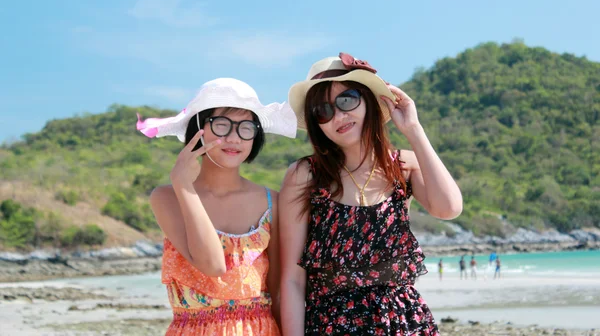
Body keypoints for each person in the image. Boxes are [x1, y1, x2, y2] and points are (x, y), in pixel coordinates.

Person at [279, 53, 463, 335]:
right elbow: (292, 279)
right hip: (333, 325)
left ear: (367, 100)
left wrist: (414, 130)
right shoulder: (306, 175)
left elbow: (449, 208)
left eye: (347, 100)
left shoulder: (403, 167)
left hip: (403, 323)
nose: (339, 116)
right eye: (323, 111)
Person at [137, 78, 296, 336]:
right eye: (222, 125)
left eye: (246, 127)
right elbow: (213, 265)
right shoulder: (168, 198)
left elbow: (278, 292)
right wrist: (184, 185)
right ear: (199, 128)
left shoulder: (273, 202)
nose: (234, 138)